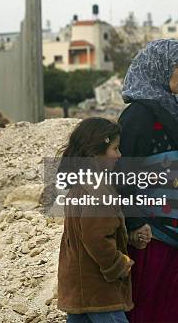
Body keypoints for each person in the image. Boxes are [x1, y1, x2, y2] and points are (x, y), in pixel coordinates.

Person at [118, 39, 178, 322]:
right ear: (159, 69)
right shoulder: (138, 116)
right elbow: (120, 175)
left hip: (177, 234)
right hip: (150, 237)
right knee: (149, 310)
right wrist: (134, 223)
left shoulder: (175, 111)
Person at [57, 118, 134, 323]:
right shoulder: (97, 189)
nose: (119, 155)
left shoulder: (81, 183)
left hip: (78, 286)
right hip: (98, 288)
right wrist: (119, 264)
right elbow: (95, 237)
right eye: (115, 149)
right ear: (94, 153)